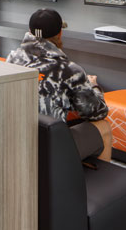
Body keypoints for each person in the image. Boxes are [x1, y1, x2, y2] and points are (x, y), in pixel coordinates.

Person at [6, 8, 112, 161]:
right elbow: (96, 113)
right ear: (60, 33)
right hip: (49, 149)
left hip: (15, 143)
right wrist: (94, 86)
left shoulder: (12, 58)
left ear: (30, 31)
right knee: (103, 127)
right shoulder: (69, 70)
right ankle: (100, 182)